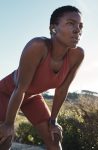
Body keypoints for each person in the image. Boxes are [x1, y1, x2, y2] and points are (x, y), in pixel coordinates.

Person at [0, 5, 84, 150]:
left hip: (32, 98)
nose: (77, 30)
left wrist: (53, 121)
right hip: (7, 94)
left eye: (80, 26)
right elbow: (20, 89)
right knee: (4, 140)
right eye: (70, 23)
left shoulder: (77, 55)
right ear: (53, 28)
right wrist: (8, 124)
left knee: (54, 139)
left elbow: (62, 89)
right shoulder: (37, 46)